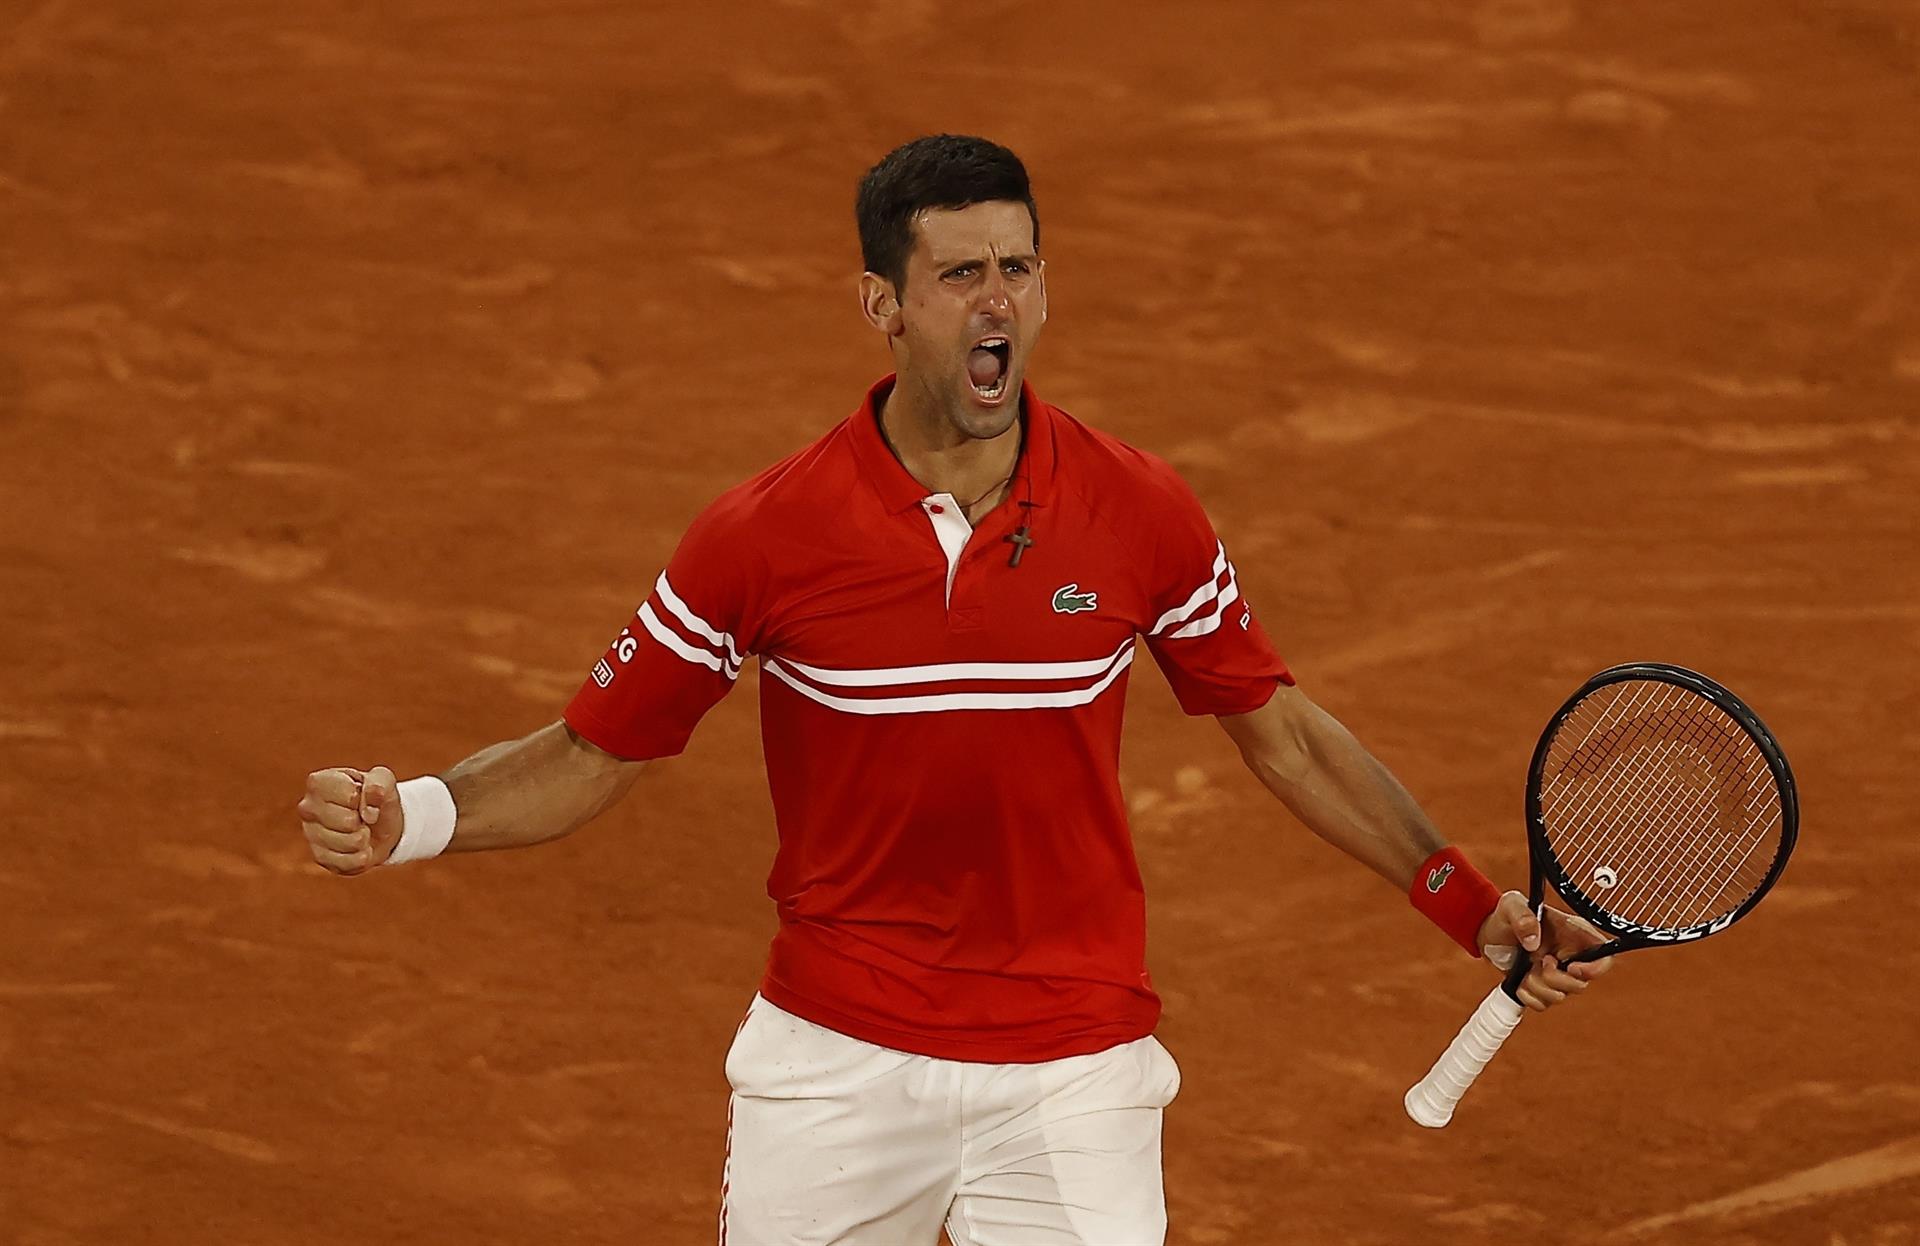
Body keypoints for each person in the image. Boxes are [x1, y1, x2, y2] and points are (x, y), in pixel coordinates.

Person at [296, 134, 1612, 1246]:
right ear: (883, 303)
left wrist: (1464, 898)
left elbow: (1287, 737)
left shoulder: (1140, 513)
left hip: (1072, 1060)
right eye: (961, 274)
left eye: (1019, 269)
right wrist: (409, 811)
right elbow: (595, 750)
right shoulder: (761, 535)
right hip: (834, 1056)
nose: (998, 304)